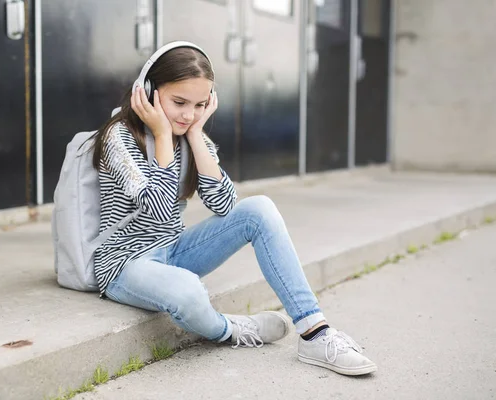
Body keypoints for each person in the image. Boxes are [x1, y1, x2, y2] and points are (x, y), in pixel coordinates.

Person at [89, 42, 376, 376]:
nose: (188, 114)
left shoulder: (189, 133)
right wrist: (162, 136)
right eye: (179, 102)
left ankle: (315, 332)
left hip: (173, 251)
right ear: (150, 92)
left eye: (199, 105)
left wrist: (196, 136)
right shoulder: (119, 137)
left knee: (260, 209)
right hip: (125, 264)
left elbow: (224, 205)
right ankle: (230, 329)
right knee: (188, 291)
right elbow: (159, 210)